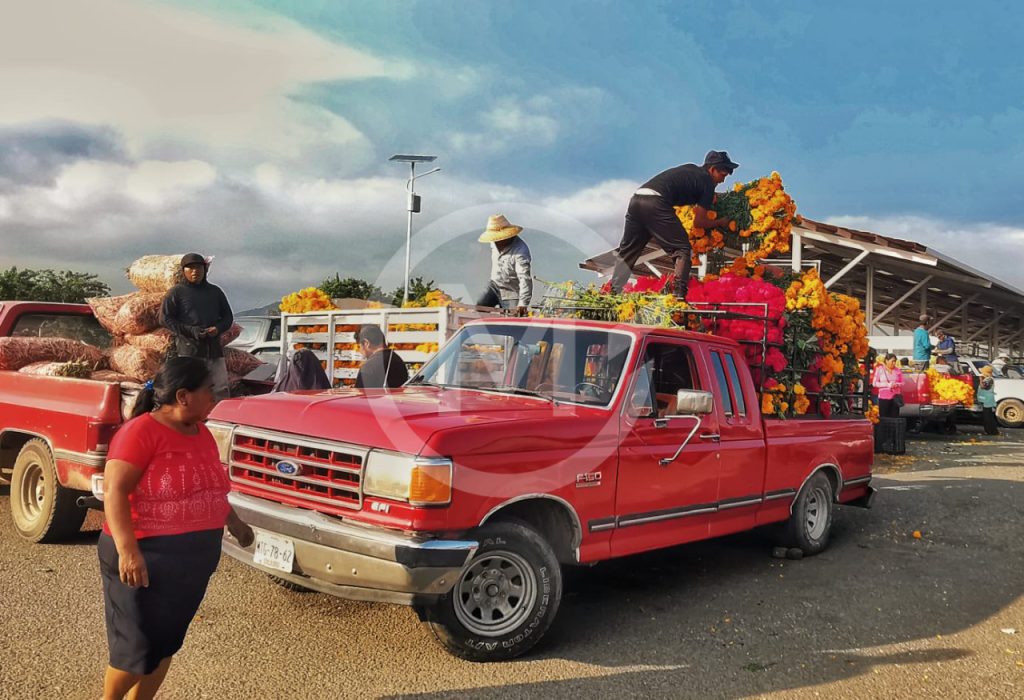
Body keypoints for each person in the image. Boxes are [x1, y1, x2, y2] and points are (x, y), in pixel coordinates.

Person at [98, 357, 253, 700]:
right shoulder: (140, 432)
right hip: (144, 557)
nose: (214, 397)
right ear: (183, 396)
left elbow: (209, 487)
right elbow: (115, 491)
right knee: (136, 650)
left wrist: (236, 524)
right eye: (208, 390)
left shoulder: (202, 433)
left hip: (191, 561)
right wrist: (128, 550)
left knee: (167, 642)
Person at [609, 150, 739, 299]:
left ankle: (612, 293)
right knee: (682, 249)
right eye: (722, 175)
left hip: (637, 199)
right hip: (656, 203)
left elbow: (683, 187)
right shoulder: (707, 183)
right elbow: (699, 222)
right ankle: (679, 295)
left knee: (629, 251)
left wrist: (705, 199)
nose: (722, 181)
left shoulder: (691, 169)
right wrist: (720, 222)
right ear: (712, 169)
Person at [160, 253, 234, 402]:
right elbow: (164, 318)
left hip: (214, 350)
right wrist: (191, 331)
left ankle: (219, 421)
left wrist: (218, 329)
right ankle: (193, 421)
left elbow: (228, 317)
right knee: (192, 389)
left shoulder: (215, 292)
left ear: (205, 270)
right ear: (183, 271)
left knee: (220, 388)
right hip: (189, 350)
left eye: (199, 267)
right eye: (190, 268)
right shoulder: (177, 292)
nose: (195, 271)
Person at [476, 214, 532, 316]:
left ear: (507, 236)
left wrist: (523, 303)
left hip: (511, 291)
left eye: (499, 239)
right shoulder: (494, 243)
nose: (496, 242)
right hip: (495, 284)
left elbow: (525, 278)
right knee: (480, 308)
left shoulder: (520, 251)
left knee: (514, 321)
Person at [354, 324, 408, 389]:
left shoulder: (369, 366)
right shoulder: (397, 360)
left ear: (366, 343)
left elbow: (360, 396)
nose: (359, 350)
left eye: (359, 346)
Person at [872, 352, 904, 418]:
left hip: (895, 398)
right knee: (884, 417)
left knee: (894, 417)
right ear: (886, 361)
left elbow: (902, 382)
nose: (894, 363)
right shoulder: (880, 369)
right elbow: (874, 383)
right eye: (892, 361)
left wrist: (897, 384)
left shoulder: (898, 370)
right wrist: (887, 385)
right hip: (884, 398)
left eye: (895, 361)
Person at [978, 365, 999, 435]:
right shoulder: (988, 379)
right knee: (989, 416)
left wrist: (980, 379)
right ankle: (992, 431)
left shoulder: (988, 379)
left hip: (988, 401)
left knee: (987, 417)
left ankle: (990, 431)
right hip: (987, 400)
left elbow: (983, 386)